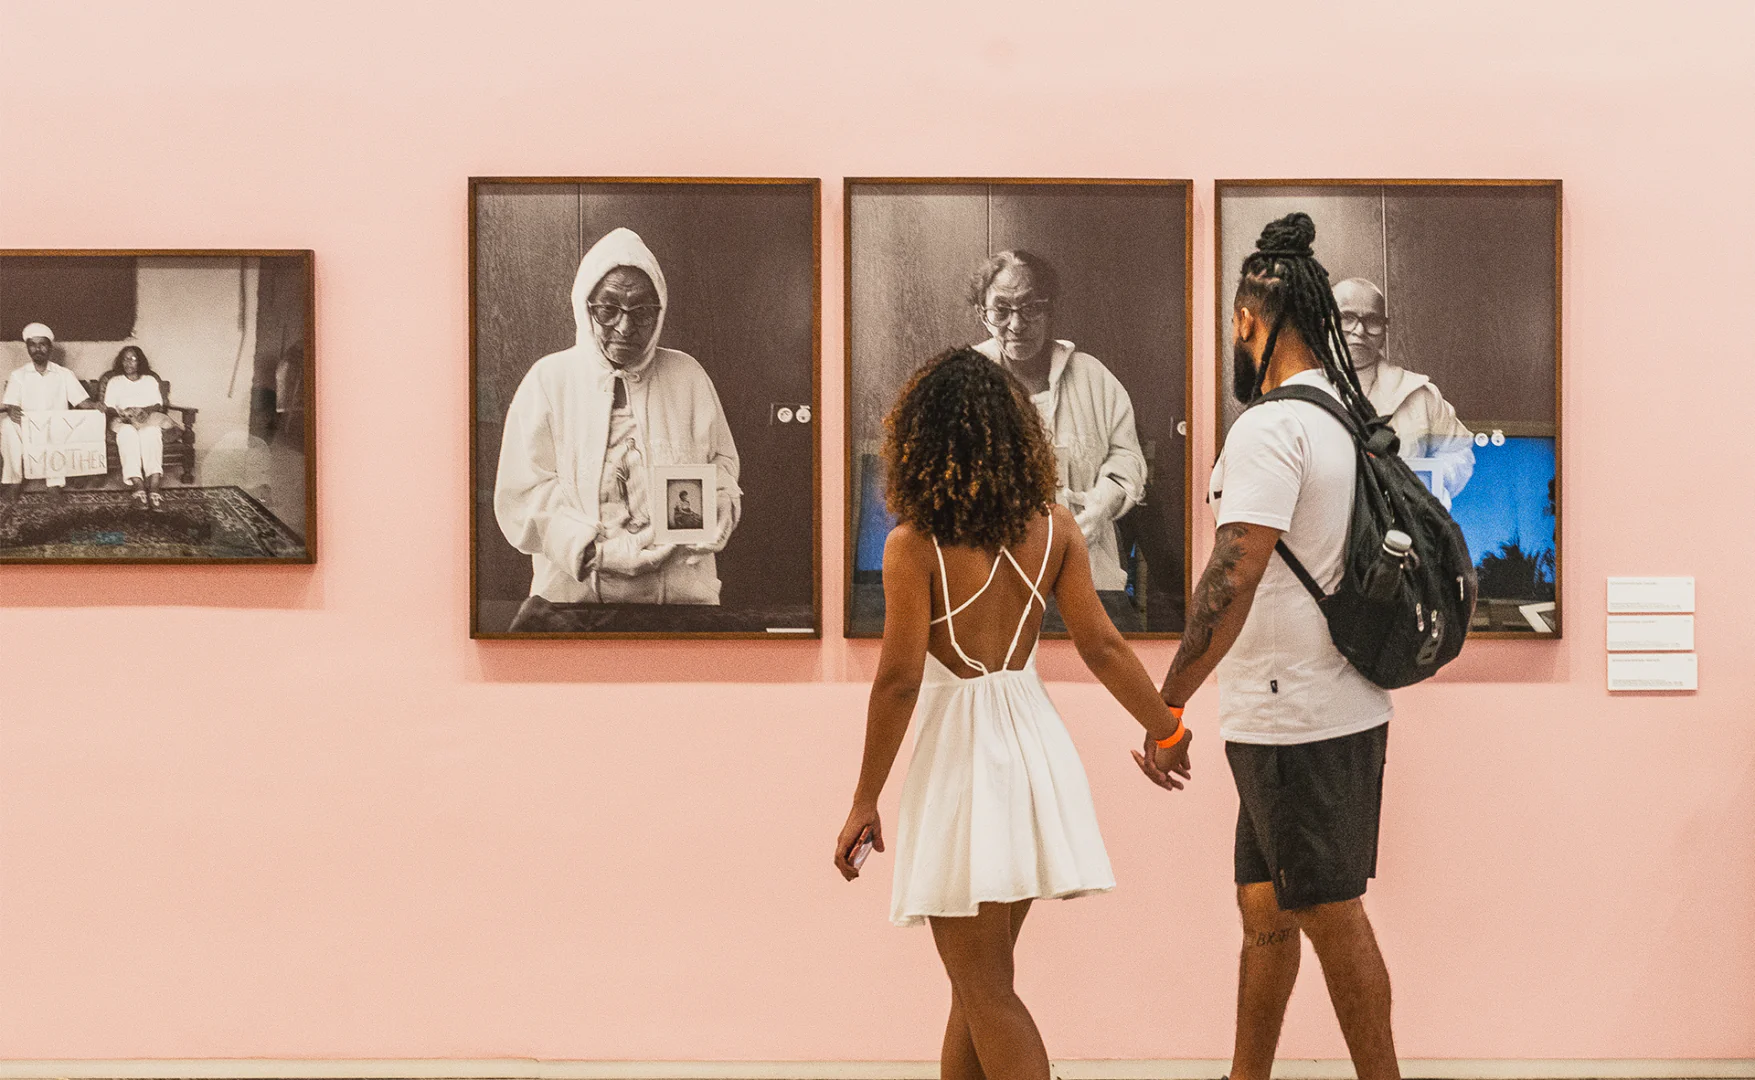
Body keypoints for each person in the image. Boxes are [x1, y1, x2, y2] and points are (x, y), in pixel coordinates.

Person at [834, 348, 1190, 1080]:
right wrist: (1168, 727)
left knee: (986, 992)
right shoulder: (1055, 526)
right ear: (1017, 436)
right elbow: (1102, 646)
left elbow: (899, 682)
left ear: (921, 441)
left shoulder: (912, 547)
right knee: (975, 990)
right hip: (1032, 754)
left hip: (960, 767)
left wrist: (864, 799)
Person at [1148, 215, 1402, 1080]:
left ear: (1248, 321)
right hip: (1317, 706)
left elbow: (1232, 573)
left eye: (1234, 324)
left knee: (1330, 913)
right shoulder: (1339, 414)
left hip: (1295, 719)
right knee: (1264, 907)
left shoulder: (1268, 428)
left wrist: (1167, 702)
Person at [495, 228, 740, 616]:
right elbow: (522, 496)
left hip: (681, 602)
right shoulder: (549, 380)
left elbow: (720, 465)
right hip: (573, 605)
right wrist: (596, 553)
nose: (625, 328)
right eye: (608, 309)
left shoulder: (687, 376)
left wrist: (723, 502)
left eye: (642, 312)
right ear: (585, 306)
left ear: (659, 312)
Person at [969, 250, 1146, 595]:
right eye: (1001, 310)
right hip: (992, 582)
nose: (1016, 325)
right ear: (982, 314)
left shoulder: (1092, 378)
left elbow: (1127, 455)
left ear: (1049, 309)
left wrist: (1105, 502)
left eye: (1030, 308)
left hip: (1085, 571)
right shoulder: (963, 382)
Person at [1332, 277, 1474, 505]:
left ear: (1384, 330)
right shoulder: (1301, 390)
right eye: (1346, 318)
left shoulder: (1420, 395)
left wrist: (1421, 484)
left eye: (1373, 321)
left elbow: (1460, 452)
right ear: (1325, 321)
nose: (1359, 330)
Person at [2, 322, 95, 497]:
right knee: (7, 425)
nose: (38, 349)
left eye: (42, 344)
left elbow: (82, 401)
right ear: (28, 348)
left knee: (57, 426)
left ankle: (54, 484)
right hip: (28, 426)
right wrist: (12, 410)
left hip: (56, 426)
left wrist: (96, 406)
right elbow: (11, 403)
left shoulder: (64, 374)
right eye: (33, 345)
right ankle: (15, 481)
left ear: (50, 347)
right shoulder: (18, 375)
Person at [101, 346, 172, 508]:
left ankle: (154, 486)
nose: (129, 362)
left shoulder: (150, 380)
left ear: (140, 361)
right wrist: (123, 413)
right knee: (127, 433)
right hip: (122, 421)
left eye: (133, 359)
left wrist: (145, 411)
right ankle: (138, 485)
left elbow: (158, 404)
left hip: (146, 419)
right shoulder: (114, 381)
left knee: (151, 432)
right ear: (121, 362)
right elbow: (109, 407)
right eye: (125, 359)